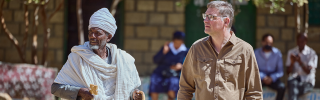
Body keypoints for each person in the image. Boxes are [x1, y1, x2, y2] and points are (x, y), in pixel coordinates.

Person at [51, 8, 143, 100]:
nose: (92, 36)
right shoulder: (79, 57)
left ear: (108, 37)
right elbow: (55, 88)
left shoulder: (124, 60)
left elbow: (129, 90)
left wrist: (134, 94)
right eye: (90, 32)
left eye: (97, 33)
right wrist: (80, 92)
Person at [177, 1, 263, 100]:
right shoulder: (196, 48)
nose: (205, 20)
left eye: (211, 17)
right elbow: (185, 88)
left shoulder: (245, 50)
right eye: (205, 16)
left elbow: (254, 93)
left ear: (226, 21)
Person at [149, 31, 188, 100]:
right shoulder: (167, 48)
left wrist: (181, 66)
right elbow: (155, 60)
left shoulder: (185, 51)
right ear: (173, 41)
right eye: (176, 42)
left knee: (173, 83)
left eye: (179, 43)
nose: (177, 45)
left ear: (182, 42)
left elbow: (189, 65)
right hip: (160, 72)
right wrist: (163, 52)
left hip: (174, 74)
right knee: (154, 81)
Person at [286, 33, 318, 100]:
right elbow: (288, 72)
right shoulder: (291, 52)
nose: (300, 43)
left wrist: (300, 62)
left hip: (307, 81)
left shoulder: (312, 53)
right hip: (295, 80)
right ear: (296, 41)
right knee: (292, 83)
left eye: (302, 41)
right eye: (298, 41)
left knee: (294, 90)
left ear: (306, 41)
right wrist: (292, 63)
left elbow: (308, 72)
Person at [254, 34, 285, 100]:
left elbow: (280, 71)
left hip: (273, 78)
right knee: (248, 88)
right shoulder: (256, 53)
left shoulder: (277, 53)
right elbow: (253, 69)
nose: (268, 44)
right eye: (266, 42)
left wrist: (271, 78)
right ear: (262, 42)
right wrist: (263, 77)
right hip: (259, 78)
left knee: (282, 87)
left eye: (270, 43)